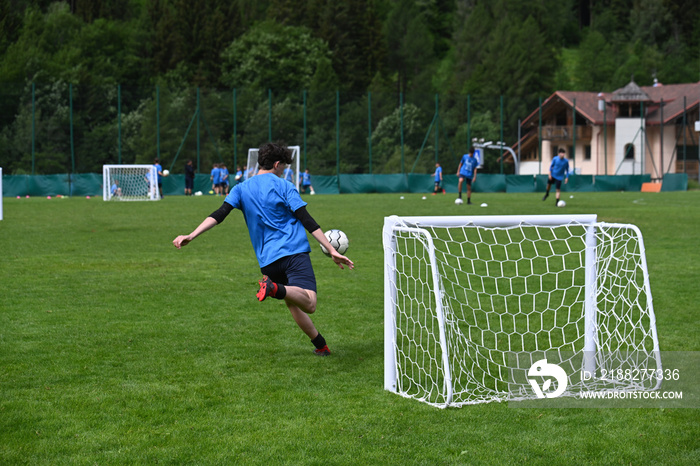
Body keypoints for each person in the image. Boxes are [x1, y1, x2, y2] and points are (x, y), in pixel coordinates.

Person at [172, 143, 354, 356]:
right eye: (284, 167)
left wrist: (191, 235)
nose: (284, 171)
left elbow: (220, 214)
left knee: (292, 301)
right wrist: (331, 249)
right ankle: (274, 288)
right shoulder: (284, 185)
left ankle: (320, 345)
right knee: (310, 303)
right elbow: (306, 219)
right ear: (277, 164)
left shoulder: (241, 188)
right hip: (293, 251)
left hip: (267, 261)